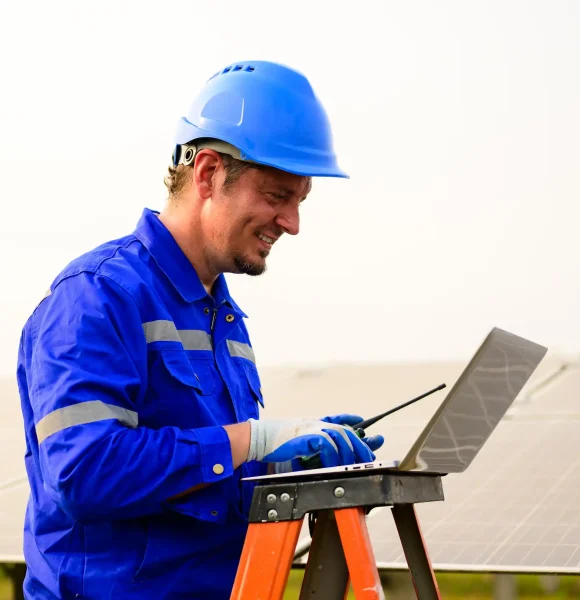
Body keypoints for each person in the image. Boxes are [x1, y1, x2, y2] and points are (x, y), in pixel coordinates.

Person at [16, 60, 385, 599]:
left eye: (300, 202)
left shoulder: (223, 317)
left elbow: (205, 485)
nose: (292, 223)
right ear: (208, 172)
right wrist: (253, 438)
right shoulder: (96, 297)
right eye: (277, 196)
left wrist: (290, 458)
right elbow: (85, 471)